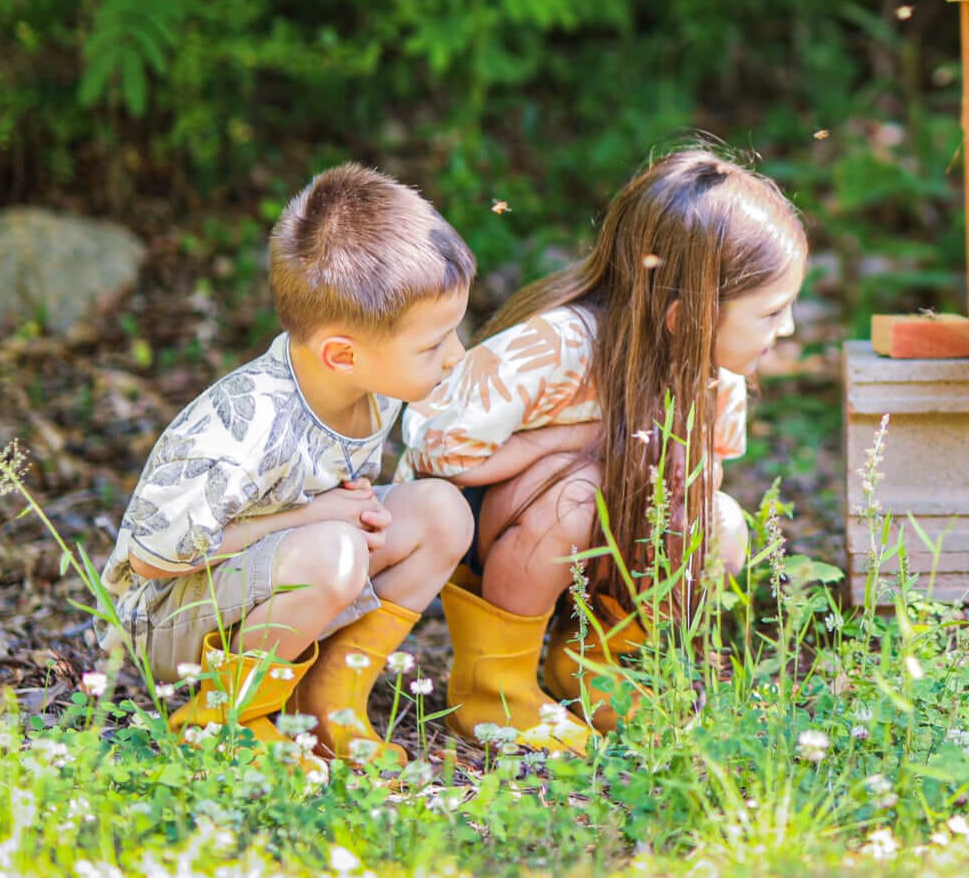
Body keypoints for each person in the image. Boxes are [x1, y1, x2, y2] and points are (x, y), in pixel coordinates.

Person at [399, 146, 806, 745]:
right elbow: (437, 453)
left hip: (604, 550)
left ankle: (597, 664)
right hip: (494, 535)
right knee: (582, 491)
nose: (788, 329)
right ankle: (495, 686)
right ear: (685, 317)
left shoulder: (716, 370)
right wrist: (579, 439)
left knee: (718, 521)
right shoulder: (559, 346)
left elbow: (703, 475)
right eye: (772, 313)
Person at [104, 163, 477, 766]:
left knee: (442, 514)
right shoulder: (246, 423)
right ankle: (226, 717)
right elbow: (153, 557)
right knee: (334, 551)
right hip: (172, 621)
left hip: (279, 576)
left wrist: (350, 512)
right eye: (434, 345)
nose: (455, 355)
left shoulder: (374, 389)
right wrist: (315, 518)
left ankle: (330, 697)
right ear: (341, 354)